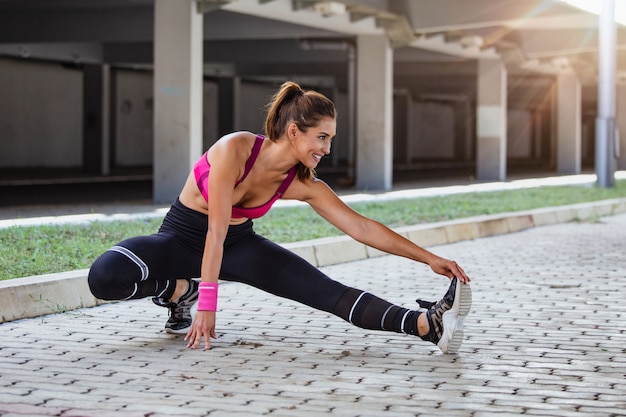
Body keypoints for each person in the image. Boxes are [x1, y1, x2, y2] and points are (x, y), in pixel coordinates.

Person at [88, 81, 472, 354]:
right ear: (293, 132)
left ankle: (426, 325)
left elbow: (362, 227)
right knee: (105, 276)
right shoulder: (233, 149)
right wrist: (205, 303)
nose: (327, 148)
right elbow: (214, 230)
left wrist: (429, 257)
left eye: (331, 139)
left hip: (239, 247)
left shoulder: (303, 183)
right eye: (322, 138)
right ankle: (177, 292)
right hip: (182, 238)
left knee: (325, 292)